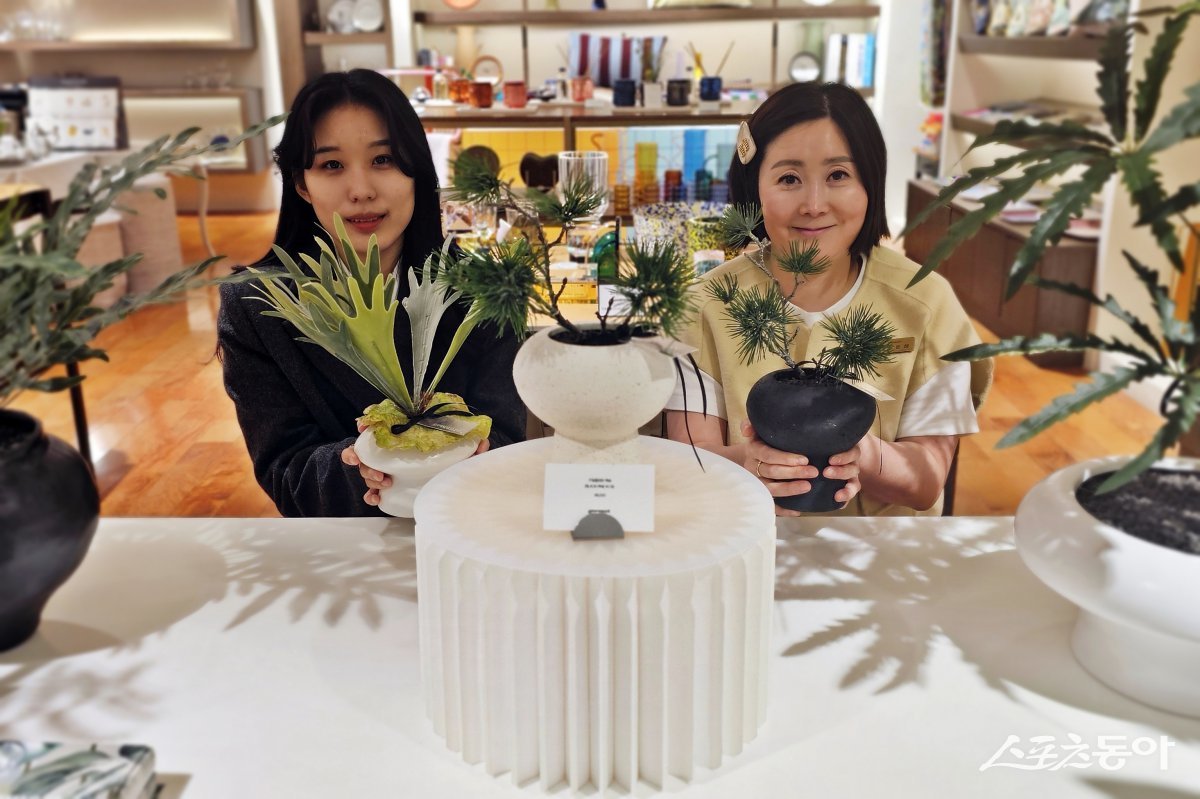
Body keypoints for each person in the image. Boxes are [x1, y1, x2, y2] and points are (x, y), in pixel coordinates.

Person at [665, 82, 992, 516]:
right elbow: (690, 462)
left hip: (880, 552)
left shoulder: (927, 302)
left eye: (838, 175)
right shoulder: (704, 305)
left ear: (870, 181)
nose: (814, 205)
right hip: (749, 541)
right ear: (754, 187)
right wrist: (750, 464)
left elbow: (927, 483)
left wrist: (860, 452)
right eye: (789, 178)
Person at [217, 70, 525, 517]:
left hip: (468, 525)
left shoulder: (485, 290)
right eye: (332, 165)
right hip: (348, 543)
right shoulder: (258, 307)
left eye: (383, 159)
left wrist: (477, 452)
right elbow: (285, 471)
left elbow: (508, 435)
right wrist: (358, 467)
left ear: (417, 172)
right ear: (301, 184)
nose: (361, 191)